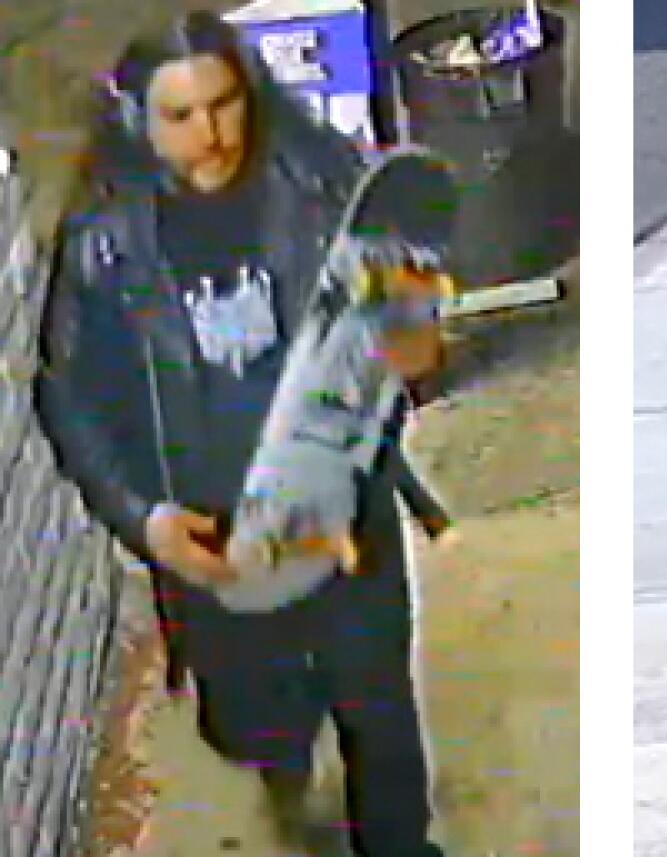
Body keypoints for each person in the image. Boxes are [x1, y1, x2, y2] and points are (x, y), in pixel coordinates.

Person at [33, 11, 451, 855]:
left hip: (340, 506)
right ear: (139, 124)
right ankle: (287, 772)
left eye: (224, 106)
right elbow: (73, 397)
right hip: (216, 530)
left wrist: (409, 345)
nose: (211, 136)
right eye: (181, 117)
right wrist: (145, 520)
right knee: (258, 722)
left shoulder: (322, 185)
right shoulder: (105, 245)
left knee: (379, 713)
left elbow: (400, 307)